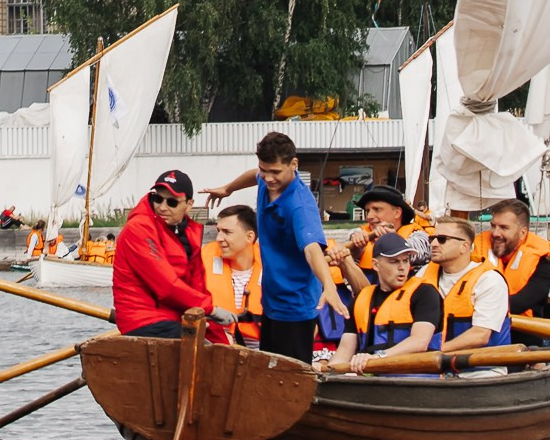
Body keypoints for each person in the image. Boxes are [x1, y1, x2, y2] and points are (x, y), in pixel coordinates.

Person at [209, 130, 346, 362]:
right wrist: (229, 188)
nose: (268, 178)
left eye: (275, 172)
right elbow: (253, 175)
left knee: (288, 376)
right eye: (264, 169)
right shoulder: (265, 180)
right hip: (271, 301)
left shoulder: (299, 206)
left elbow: (312, 250)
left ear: (294, 164)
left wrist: (329, 286)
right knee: (267, 369)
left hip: (295, 307)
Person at [110, 169, 218, 339]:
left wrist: (216, 327)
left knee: (221, 348)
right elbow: (167, 286)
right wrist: (211, 309)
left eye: (171, 202)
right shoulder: (138, 228)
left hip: (174, 317)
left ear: (189, 205)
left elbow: (197, 285)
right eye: (157, 199)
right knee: (207, 356)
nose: (162, 207)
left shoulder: (189, 234)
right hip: (143, 320)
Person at [331, 234, 441, 373]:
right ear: (376, 265)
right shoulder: (361, 299)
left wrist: (379, 357)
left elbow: (419, 342)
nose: (402, 267)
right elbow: (344, 352)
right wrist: (324, 371)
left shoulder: (425, 292)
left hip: (416, 379)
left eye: (406, 261)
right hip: (376, 380)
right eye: (394, 261)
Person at [424, 216, 512, 352]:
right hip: (432, 369)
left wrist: (434, 352)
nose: (434, 244)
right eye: (432, 239)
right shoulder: (424, 274)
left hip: (479, 370)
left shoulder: (489, 280)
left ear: (464, 246)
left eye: (442, 239)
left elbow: (480, 335)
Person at [471, 197, 550, 313]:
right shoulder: (474, 256)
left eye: (504, 228)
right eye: (493, 226)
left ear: (522, 233)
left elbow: (518, 304)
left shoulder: (543, 268)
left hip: (519, 328)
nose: (495, 233)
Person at [199, 205, 264, 347]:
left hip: (261, 346)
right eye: (218, 231)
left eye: (227, 232)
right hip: (216, 343)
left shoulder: (272, 268)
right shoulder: (202, 261)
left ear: (249, 237)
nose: (218, 238)